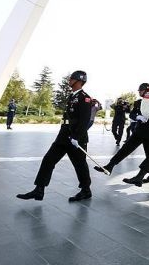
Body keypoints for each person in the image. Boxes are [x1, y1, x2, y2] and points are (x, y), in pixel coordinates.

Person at [17, 70, 93, 202]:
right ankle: (39, 190)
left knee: (80, 165)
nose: (69, 81)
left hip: (76, 138)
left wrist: (76, 137)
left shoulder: (85, 98)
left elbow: (84, 121)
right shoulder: (72, 96)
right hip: (63, 137)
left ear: (79, 81)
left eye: (71, 79)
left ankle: (86, 190)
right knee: (48, 160)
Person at [94, 83, 149, 182]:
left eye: (141, 90)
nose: (139, 92)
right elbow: (132, 114)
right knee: (125, 148)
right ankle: (110, 166)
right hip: (139, 131)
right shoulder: (138, 102)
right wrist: (138, 117)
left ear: (147, 91)